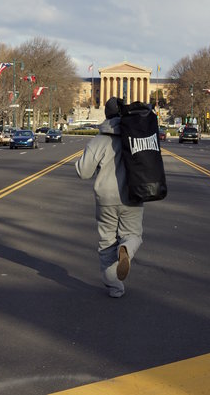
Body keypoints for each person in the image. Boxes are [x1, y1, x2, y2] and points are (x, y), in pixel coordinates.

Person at [75, 97, 144, 298]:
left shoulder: (99, 140)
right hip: (133, 196)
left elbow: (83, 172)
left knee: (106, 244)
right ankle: (126, 249)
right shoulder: (136, 137)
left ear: (106, 115)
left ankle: (115, 288)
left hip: (105, 199)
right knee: (133, 235)